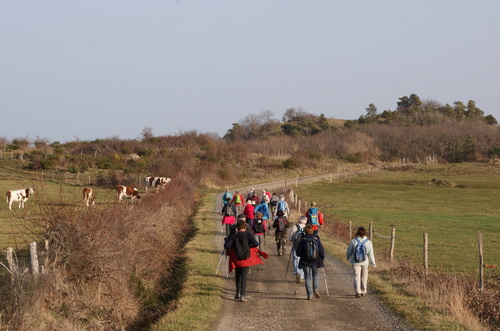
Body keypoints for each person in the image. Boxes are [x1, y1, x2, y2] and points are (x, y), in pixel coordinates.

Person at [224, 219, 266, 302]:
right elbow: (256, 244)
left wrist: (229, 242)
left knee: (238, 275)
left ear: (237, 228)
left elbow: (227, 246)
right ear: (244, 227)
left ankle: (237, 293)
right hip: (246, 259)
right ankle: (243, 295)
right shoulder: (248, 235)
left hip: (237, 259)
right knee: (244, 277)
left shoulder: (234, 236)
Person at [346, 227, 376, 298]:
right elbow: (371, 254)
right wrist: (373, 263)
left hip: (355, 261)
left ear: (357, 233)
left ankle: (358, 291)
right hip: (365, 262)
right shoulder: (368, 242)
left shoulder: (353, 241)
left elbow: (349, 251)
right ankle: (364, 291)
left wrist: (347, 257)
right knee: (364, 277)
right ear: (365, 233)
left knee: (357, 276)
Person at [297, 224, 325, 300]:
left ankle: (310, 294)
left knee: (308, 277)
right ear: (312, 231)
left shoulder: (303, 239)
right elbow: (321, 251)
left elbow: (298, 253)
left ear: (305, 231)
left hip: (305, 261)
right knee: (316, 275)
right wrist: (322, 258)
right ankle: (316, 290)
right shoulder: (316, 239)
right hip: (316, 261)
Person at [288, 215, 308, 283]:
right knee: (303, 260)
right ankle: (302, 276)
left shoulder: (295, 226)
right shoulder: (307, 227)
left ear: (299, 220)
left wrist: (291, 240)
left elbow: (291, 237)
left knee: (296, 259)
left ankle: (297, 272)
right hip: (304, 247)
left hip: (296, 246)